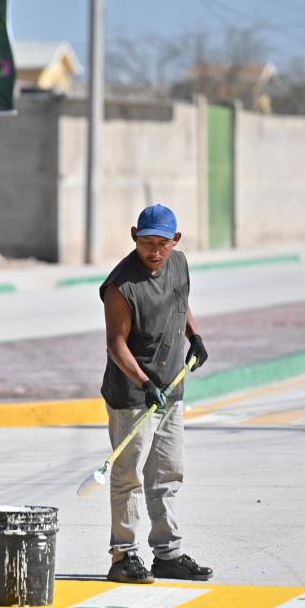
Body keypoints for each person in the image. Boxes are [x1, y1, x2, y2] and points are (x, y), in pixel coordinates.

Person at [99, 204, 211, 584]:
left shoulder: (178, 264)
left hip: (170, 388)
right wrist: (144, 383)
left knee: (166, 473)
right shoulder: (121, 286)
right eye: (146, 242)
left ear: (175, 241)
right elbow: (116, 344)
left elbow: (180, 302)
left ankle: (167, 554)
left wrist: (193, 336)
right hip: (132, 397)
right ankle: (123, 556)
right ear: (134, 236)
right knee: (128, 476)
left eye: (162, 243)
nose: (154, 251)